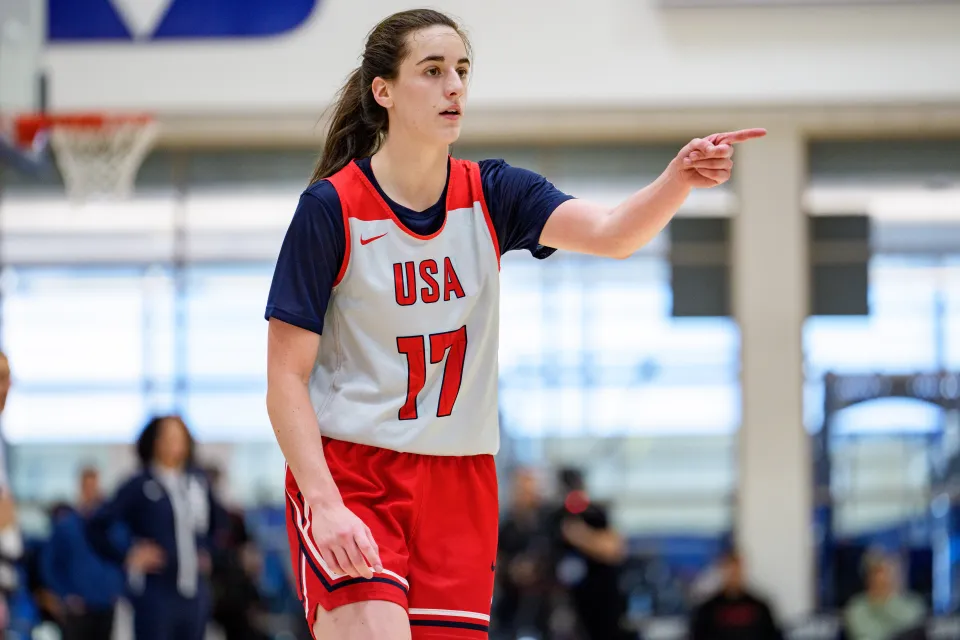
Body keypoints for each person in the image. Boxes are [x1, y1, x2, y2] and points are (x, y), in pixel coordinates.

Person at [263, 8, 765, 640]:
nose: (454, 87)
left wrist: (677, 179)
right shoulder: (331, 209)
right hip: (357, 474)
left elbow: (612, 234)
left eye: (463, 71)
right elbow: (285, 378)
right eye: (433, 70)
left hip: (461, 482)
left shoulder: (493, 191)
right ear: (382, 91)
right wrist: (324, 503)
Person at [85, 415, 219, 640]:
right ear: (154, 441)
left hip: (194, 592)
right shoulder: (141, 484)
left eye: (180, 436)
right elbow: (98, 525)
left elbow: (218, 525)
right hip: (157, 592)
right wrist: (127, 555)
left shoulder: (196, 483)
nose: (175, 443)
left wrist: (208, 552)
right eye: (167, 436)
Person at [40, 467, 124, 640]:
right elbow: (50, 564)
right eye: (87, 486)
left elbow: (123, 556)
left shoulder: (111, 526)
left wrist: (116, 588)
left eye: (94, 486)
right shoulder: (66, 526)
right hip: (78, 608)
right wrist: (65, 593)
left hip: (105, 603)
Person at [689, 549, 783, 640]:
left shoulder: (760, 607)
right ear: (722, 571)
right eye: (729, 570)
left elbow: (773, 635)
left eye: (736, 570)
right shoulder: (708, 610)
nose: (733, 575)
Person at [843, 550, 926, 640]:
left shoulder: (915, 605)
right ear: (869, 576)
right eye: (882, 571)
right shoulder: (856, 609)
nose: (889, 576)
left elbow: (915, 627)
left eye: (894, 570)